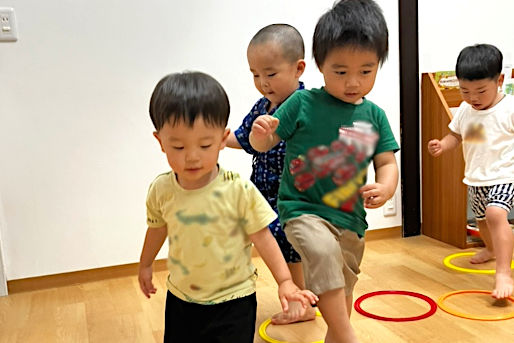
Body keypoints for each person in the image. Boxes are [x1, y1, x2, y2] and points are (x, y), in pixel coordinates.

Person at [249, 1, 399, 342]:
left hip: (350, 220)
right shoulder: (303, 103)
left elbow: (387, 162)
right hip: (302, 209)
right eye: (340, 71)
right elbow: (266, 142)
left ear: (378, 65)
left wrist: (386, 187)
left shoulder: (374, 116)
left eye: (366, 71)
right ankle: (349, 338)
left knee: (343, 289)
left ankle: (339, 335)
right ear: (319, 65)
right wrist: (261, 135)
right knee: (321, 252)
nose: (353, 82)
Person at [137, 71, 318, 342]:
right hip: (181, 298)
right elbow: (156, 228)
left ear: (222, 139)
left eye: (205, 144)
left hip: (235, 299)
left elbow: (263, 236)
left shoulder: (238, 191)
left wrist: (285, 281)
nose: (192, 156)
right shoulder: (161, 190)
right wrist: (145, 264)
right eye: (178, 146)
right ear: (160, 141)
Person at [225, 23, 315, 324]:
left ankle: (300, 302)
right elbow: (244, 138)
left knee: (288, 248)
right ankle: (292, 297)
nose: (263, 82)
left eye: (270, 73)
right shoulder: (262, 105)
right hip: (261, 193)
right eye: (255, 75)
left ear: (298, 68)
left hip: (293, 195)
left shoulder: (307, 106)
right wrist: (215, 139)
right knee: (265, 241)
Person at [428, 44, 514, 299]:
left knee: (495, 214)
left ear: (499, 81)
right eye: (465, 90)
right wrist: (443, 145)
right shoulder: (467, 110)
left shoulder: (508, 109)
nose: (473, 97)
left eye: (480, 91)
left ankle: (503, 273)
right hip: (477, 177)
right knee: (481, 219)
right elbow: (459, 135)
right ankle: (491, 249)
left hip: (505, 174)